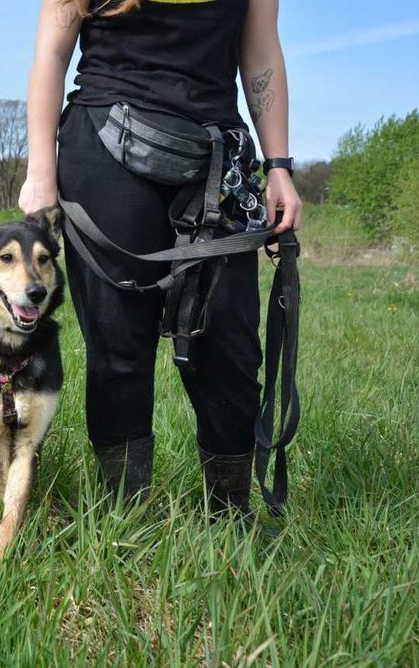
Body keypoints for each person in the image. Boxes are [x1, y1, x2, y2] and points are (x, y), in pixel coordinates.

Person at [19, 0, 302, 514]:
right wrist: (41, 170)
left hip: (216, 160)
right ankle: (127, 520)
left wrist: (278, 165)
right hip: (104, 147)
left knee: (231, 351)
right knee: (119, 348)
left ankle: (231, 519)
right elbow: (51, 53)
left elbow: (260, 53)